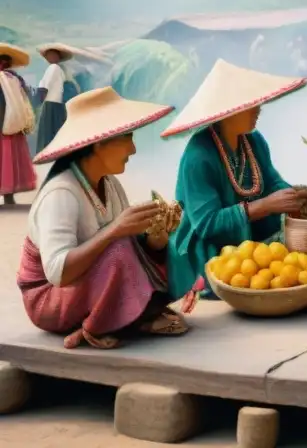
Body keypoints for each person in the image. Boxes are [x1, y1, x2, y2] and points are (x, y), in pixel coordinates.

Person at [17, 87, 190, 349]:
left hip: (89, 286)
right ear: (100, 142)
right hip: (50, 299)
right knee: (119, 248)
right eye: (128, 138)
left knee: (172, 247)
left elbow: (130, 248)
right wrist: (114, 231)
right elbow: (57, 273)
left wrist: (156, 238)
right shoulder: (61, 193)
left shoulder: (109, 185)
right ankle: (101, 325)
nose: (132, 149)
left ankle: (122, 319)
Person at [162, 59, 307, 299]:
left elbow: (271, 181)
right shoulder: (198, 156)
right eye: (251, 104)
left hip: (249, 239)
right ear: (227, 111)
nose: (259, 108)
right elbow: (206, 224)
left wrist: (289, 194)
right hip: (208, 251)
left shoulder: (253, 140)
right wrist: (264, 206)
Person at [1, 44, 37, 203]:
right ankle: (9, 195)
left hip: (3, 125)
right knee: (9, 160)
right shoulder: (15, 79)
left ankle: (8, 194)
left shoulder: (5, 79)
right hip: (14, 125)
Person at [35, 43, 76, 155]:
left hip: (50, 105)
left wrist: (35, 102)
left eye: (51, 55)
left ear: (57, 57)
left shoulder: (53, 68)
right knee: (55, 132)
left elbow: (45, 87)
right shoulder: (62, 70)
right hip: (57, 105)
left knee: (47, 134)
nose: (49, 57)